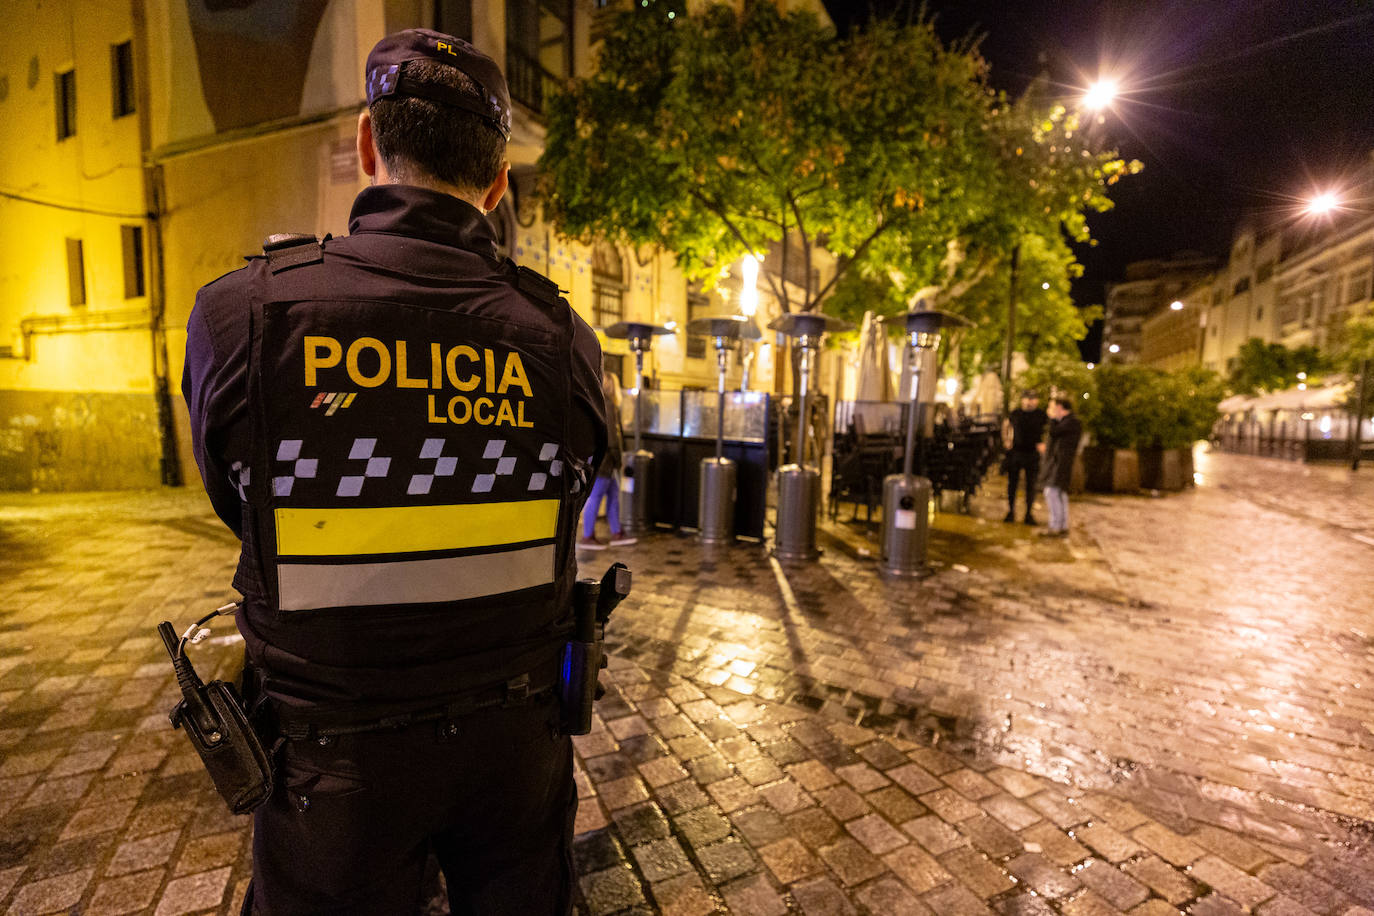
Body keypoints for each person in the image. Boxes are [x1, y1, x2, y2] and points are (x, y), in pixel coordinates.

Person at [181, 29, 606, 915]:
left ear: (371, 148)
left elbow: (238, 502)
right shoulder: (564, 339)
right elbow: (579, 483)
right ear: (498, 187)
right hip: (515, 750)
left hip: (332, 767)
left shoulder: (242, 314)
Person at [580, 370, 636, 549]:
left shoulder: (598, 402)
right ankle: (587, 536)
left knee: (612, 496)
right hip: (606, 460)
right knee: (596, 497)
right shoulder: (609, 404)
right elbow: (613, 437)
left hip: (603, 459)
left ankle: (616, 532)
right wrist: (619, 459)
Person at [1001, 389, 1048, 524]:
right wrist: (1006, 440)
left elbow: (1048, 430)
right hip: (1016, 452)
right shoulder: (1016, 413)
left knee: (1031, 485)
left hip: (1032, 453)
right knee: (1012, 484)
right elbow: (1006, 425)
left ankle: (1028, 514)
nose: (1029, 401)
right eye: (1027, 398)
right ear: (1023, 400)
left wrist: (1044, 444)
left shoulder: (1041, 414)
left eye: (1032, 399)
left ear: (1036, 400)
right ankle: (1011, 512)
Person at [1039, 396, 1083, 538]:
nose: (1051, 410)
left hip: (1060, 464)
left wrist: (1051, 418)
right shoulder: (1068, 422)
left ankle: (1056, 526)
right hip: (1060, 463)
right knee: (1059, 494)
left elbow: (1053, 432)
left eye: (1053, 407)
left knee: (1051, 492)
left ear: (1059, 407)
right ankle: (1062, 526)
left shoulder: (1071, 422)